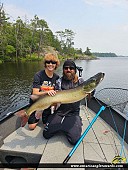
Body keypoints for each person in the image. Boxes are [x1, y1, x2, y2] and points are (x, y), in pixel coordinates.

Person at [43, 60, 84, 145]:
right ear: (63, 70)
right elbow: (54, 101)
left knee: (74, 140)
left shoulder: (80, 81)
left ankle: (76, 121)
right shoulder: (59, 81)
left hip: (73, 113)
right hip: (60, 112)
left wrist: (92, 91)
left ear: (75, 70)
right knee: (46, 134)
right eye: (66, 68)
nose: (68, 70)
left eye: (71, 68)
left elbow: (90, 93)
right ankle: (62, 124)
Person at [28, 53, 60, 130]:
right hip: (37, 102)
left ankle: (45, 114)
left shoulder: (56, 77)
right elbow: (35, 93)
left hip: (48, 103)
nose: (50, 64)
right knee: (31, 127)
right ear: (45, 64)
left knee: (47, 126)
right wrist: (46, 92)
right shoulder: (38, 75)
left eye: (53, 62)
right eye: (48, 62)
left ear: (56, 65)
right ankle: (38, 113)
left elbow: (57, 92)